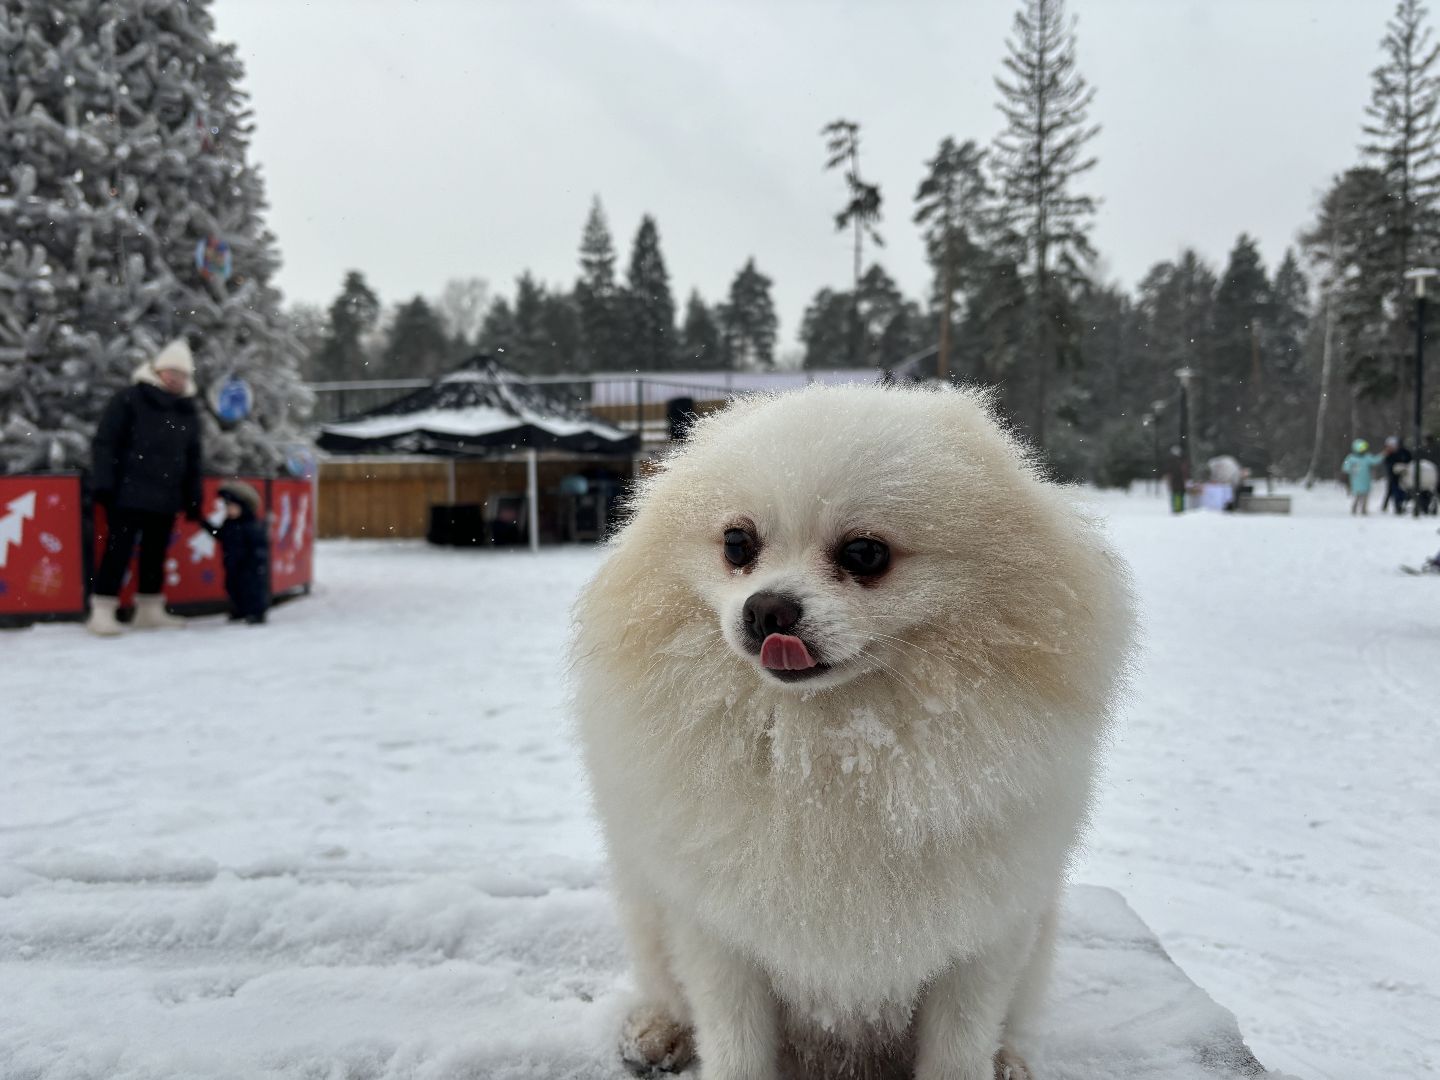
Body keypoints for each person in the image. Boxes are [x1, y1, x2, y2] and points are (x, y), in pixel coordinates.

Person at [86, 338, 203, 636]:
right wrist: (104, 484)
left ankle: (150, 609)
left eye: (183, 374)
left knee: (156, 553)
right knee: (118, 552)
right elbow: (105, 443)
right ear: (158, 370)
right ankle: (102, 610)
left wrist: (193, 497)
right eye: (171, 372)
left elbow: (193, 457)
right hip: (128, 493)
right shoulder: (129, 399)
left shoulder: (187, 411)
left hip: (166, 496)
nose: (176, 378)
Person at [215, 480, 270, 624]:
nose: (229, 510)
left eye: (232, 507)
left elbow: (259, 544)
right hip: (233, 564)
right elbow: (221, 535)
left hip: (248, 565)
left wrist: (256, 559)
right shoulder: (230, 523)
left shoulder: (250, 525)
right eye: (227, 507)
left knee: (252, 588)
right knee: (233, 587)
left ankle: (257, 612)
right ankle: (240, 609)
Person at [1341, 438, 1383, 516]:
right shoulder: (1351, 458)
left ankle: (1364, 509)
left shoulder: (1367, 457)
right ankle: (1354, 508)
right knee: (1357, 495)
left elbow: (1375, 460)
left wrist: (1383, 455)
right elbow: (1346, 468)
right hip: (1356, 480)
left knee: (1365, 496)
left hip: (1365, 480)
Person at [1380, 436, 1412, 514]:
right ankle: (1397, 507)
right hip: (1393, 477)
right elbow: (1387, 464)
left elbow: (1410, 461)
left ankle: (1401, 505)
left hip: (1405, 477)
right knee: (1394, 491)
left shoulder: (1404, 452)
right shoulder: (1388, 454)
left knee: (1403, 492)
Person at [1164, 445, 1189, 514]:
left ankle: (1177, 508)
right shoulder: (1179, 461)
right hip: (1177, 483)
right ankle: (1178, 509)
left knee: (1177, 495)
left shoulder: (1172, 462)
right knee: (1178, 495)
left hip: (1177, 483)